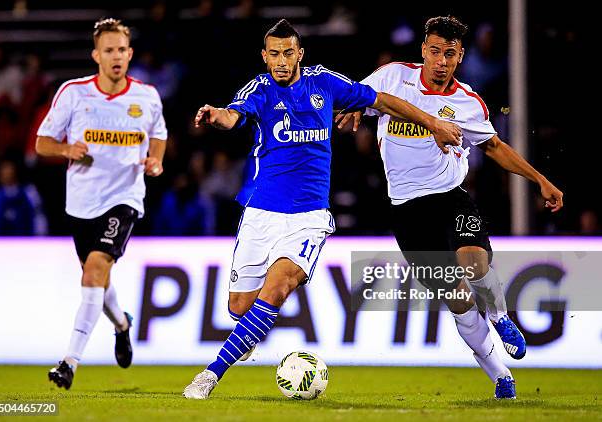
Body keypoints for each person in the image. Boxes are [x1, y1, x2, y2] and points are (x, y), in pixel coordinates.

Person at [183, 18, 462, 400]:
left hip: (309, 216)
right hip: (261, 213)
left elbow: (381, 101)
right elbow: (233, 115)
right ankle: (247, 334)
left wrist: (431, 122)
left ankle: (210, 374)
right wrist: (217, 115)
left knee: (279, 286)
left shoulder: (324, 82)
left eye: (288, 52)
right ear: (264, 57)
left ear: (300, 53)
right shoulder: (260, 90)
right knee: (239, 308)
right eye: (274, 54)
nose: (282, 61)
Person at [336, 15, 564, 399]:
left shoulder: (468, 102)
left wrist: (540, 179)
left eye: (451, 54)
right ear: (424, 50)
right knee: (458, 298)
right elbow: (360, 98)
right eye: (436, 51)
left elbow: (493, 147)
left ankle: (501, 317)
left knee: (474, 261)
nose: (441, 61)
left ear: (460, 57)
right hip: (406, 209)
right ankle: (501, 377)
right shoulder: (392, 77)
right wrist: (356, 109)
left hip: (448, 196)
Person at [35, 18, 167, 390]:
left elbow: (158, 136)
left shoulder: (147, 96)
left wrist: (155, 161)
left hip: (124, 198)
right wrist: (64, 149)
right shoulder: (74, 93)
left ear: (130, 54)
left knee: (94, 270)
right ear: (96, 55)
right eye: (108, 50)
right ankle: (122, 325)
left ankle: (69, 362)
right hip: (80, 203)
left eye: (121, 50)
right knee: (97, 278)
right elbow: (41, 142)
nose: (116, 57)